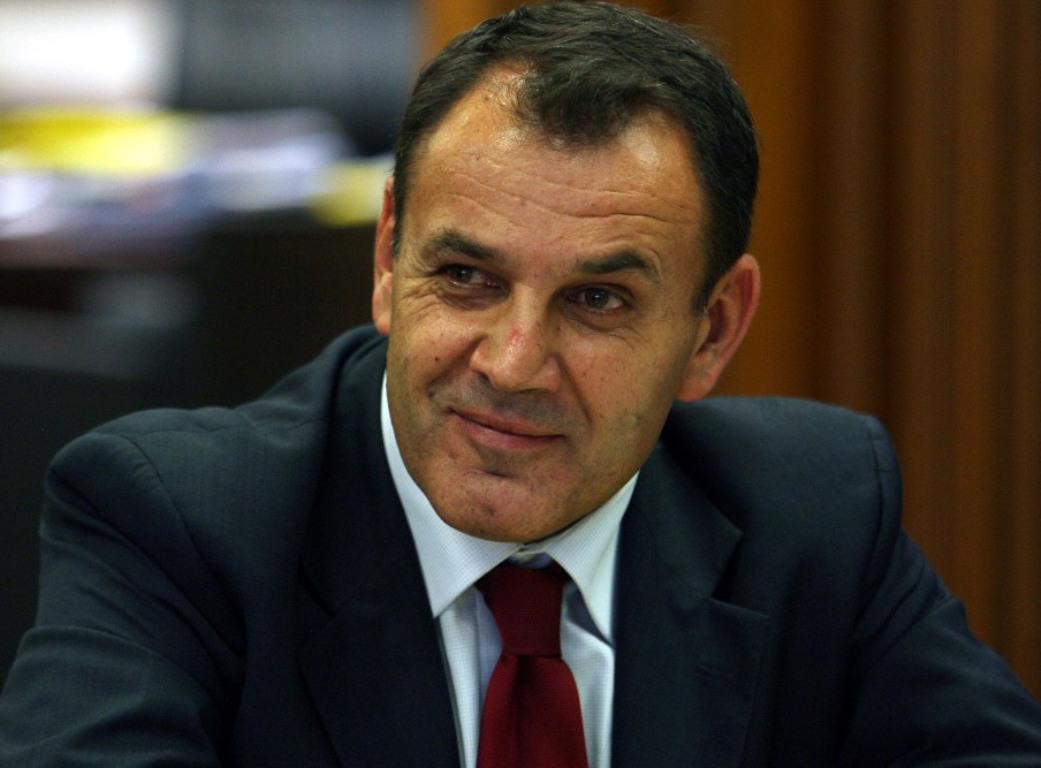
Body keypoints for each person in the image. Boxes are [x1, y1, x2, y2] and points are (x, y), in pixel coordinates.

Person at [2, 2, 1040, 766]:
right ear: (387, 261)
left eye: (596, 301)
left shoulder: (814, 515)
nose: (510, 363)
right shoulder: (177, 525)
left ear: (714, 329)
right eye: (466, 277)